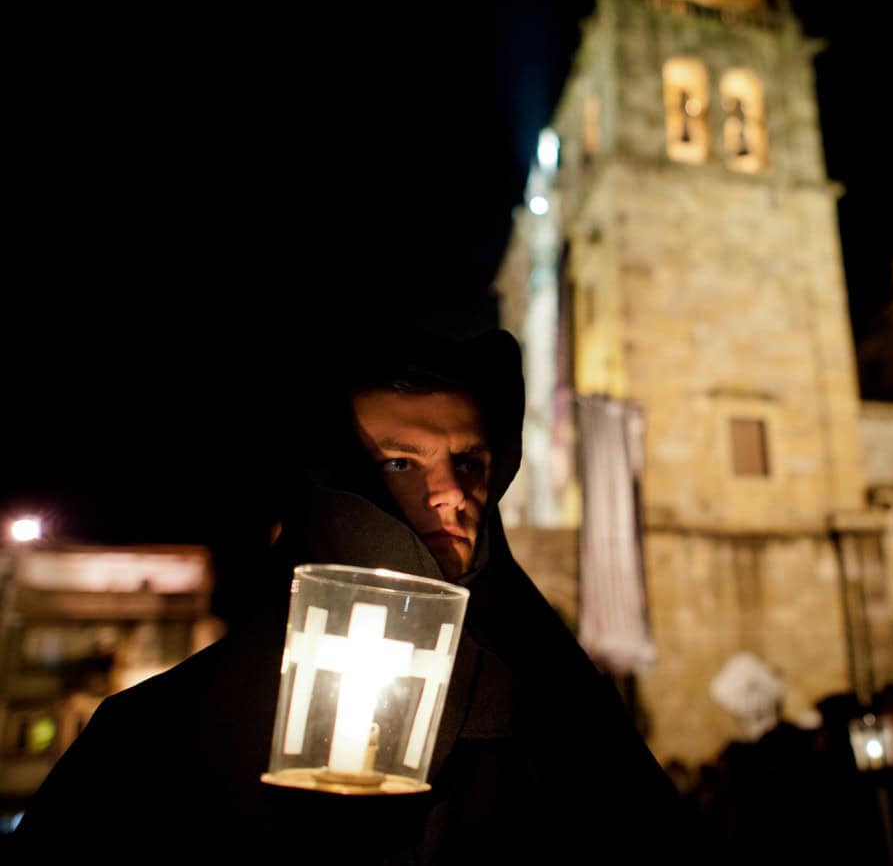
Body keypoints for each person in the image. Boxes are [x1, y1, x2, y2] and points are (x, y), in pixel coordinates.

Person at [16, 328, 684, 865]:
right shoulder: (149, 743)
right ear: (332, 481)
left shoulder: (564, 724)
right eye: (400, 461)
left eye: (470, 462)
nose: (451, 490)